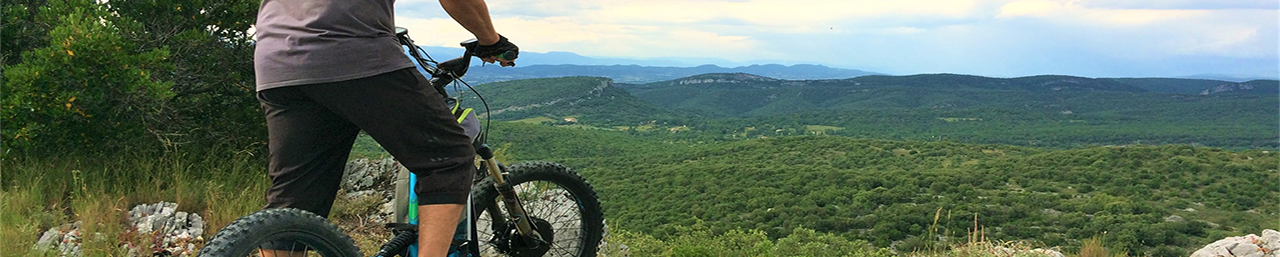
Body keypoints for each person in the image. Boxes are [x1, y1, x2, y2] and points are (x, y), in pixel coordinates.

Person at [252, 0, 518, 256]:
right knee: (449, 159)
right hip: (353, 54)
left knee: (296, 195)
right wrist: (490, 40)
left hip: (276, 63)